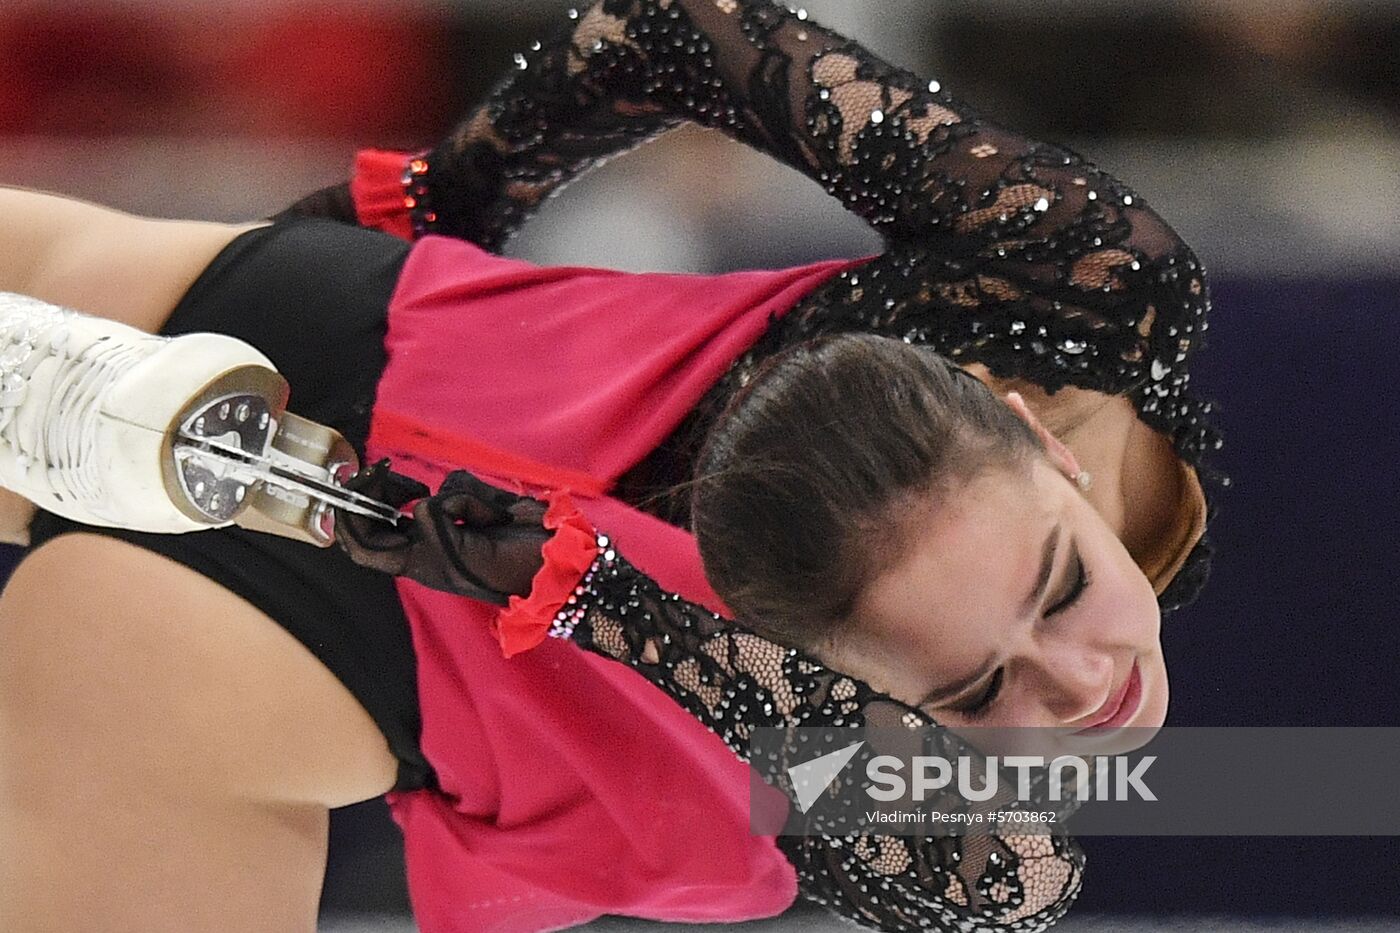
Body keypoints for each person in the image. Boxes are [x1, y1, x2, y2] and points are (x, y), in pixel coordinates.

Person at [0, 1, 1224, 931]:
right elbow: (660, 31)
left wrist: (590, 593)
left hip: (367, 648)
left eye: (961, 693)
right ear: (1040, 444)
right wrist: (458, 191)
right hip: (353, 329)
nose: (1077, 689)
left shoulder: (958, 800)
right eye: (1055, 587)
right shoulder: (1080, 283)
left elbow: (1010, 883)